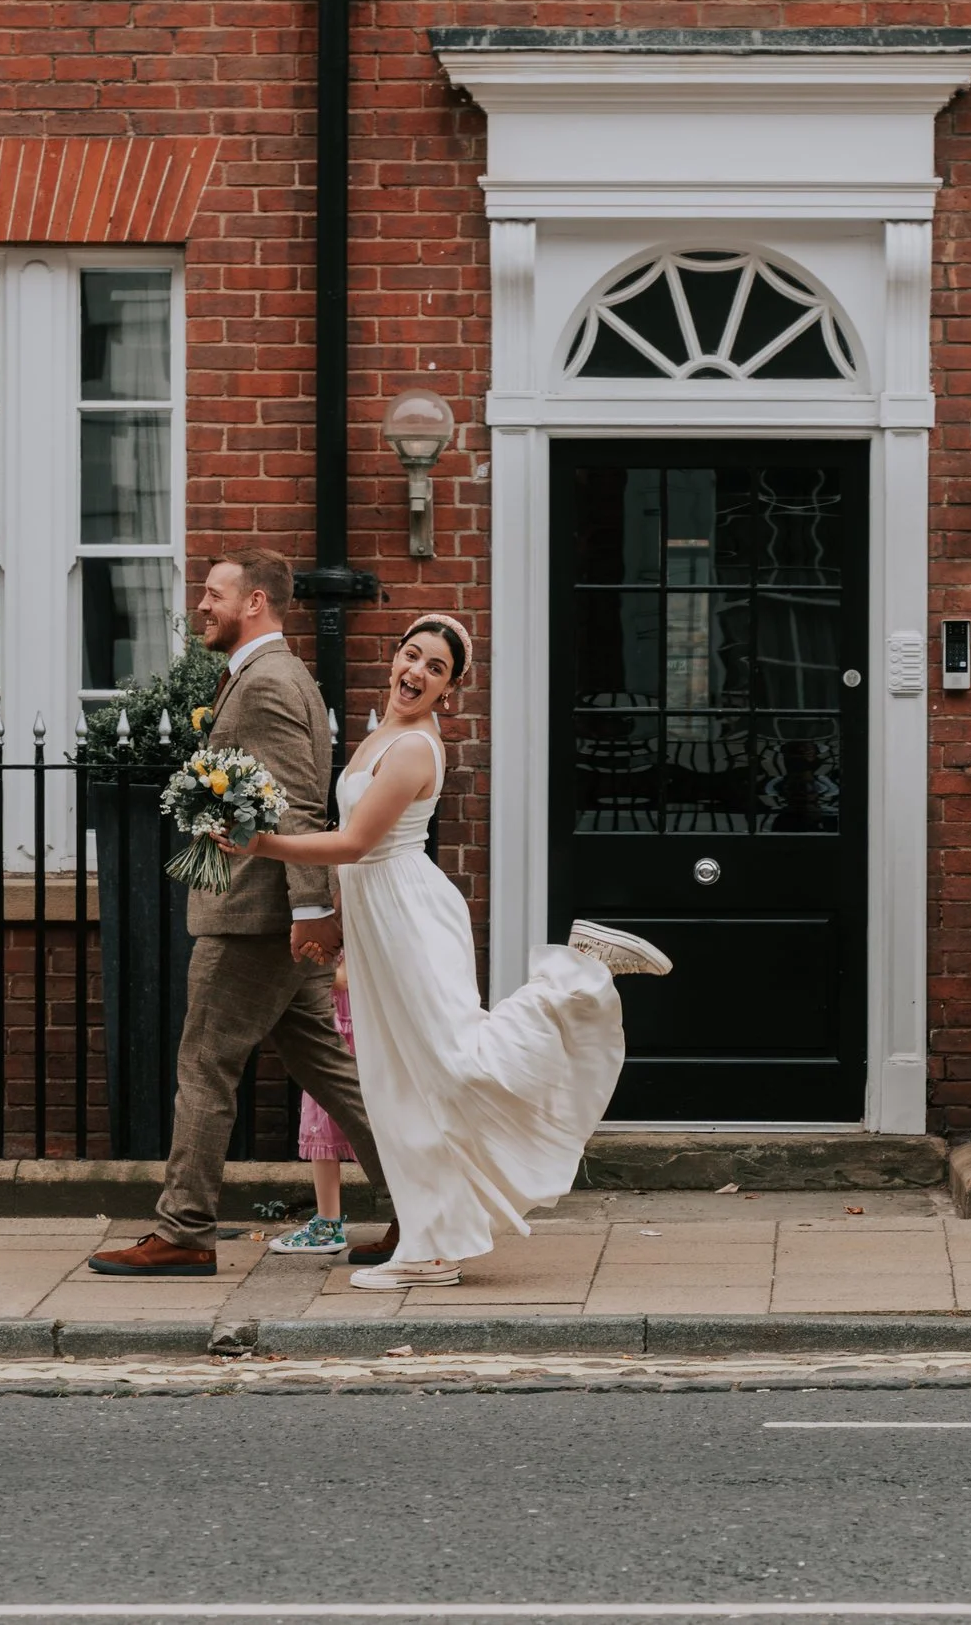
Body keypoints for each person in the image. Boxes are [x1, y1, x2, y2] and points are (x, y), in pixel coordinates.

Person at [232, 612, 670, 1290]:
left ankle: (580, 968)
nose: (417, 672)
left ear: (450, 691)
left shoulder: (412, 749)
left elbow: (353, 845)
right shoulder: (385, 729)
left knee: (455, 1063)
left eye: (436, 668)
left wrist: (262, 844)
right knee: (396, 1084)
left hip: (409, 914)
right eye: (413, 656)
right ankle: (430, 1247)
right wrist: (335, 921)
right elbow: (353, 849)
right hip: (379, 915)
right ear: (395, 657)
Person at [88, 551, 397, 1276]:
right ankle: (425, 1202)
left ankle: (185, 1227)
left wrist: (312, 907)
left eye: (213, 594)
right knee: (329, 1068)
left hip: (256, 917)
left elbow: (297, 803)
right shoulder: (264, 676)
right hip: (265, 912)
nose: (202, 604)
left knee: (204, 1063)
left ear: (254, 602)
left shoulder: (266, 682)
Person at [267, 970, 359, 1254]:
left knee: (349, 1117)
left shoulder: (349, 930)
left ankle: (329, 1225)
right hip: (337, 1025)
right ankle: (327, 1222)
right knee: (322, 1123)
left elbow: (343, 978)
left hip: (347, 1030)